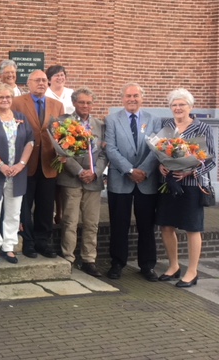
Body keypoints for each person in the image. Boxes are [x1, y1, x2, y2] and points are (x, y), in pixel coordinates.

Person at [156, 89, 216, 287]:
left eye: (182, 104)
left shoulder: (202, 128)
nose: (178, 108)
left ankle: (192, 271)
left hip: (191, 185)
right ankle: (174, 266)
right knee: (166, 226)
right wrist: (161, 165)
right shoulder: (166, 126)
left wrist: (190, 172)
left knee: (192, 228)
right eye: (174, 105)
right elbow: (159, 151)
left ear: (190, 107)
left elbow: (211, 160)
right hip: (169, 184)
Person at [105, 83, 161, 281]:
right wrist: (129, 170)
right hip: (120, 179)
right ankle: (117, 263)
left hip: (147, 181)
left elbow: (158, 148)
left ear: (142, 98)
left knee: (147, 225)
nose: (132, 99)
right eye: (128, 95)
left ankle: (147, 265)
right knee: (119, 223)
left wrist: (143, 171)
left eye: (136, 95)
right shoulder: (111, 120)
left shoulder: (154, 120)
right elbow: (110, 148)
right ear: (122, 98)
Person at [0, 84, 34, 264]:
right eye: (1, 97)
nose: (5, 100)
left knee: (13, 212)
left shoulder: (21, 118)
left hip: (17, 173)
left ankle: (9, 246)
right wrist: (0, 165)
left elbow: (30, 142)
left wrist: (21, 164)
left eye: (8, 97)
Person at [11, 70, 64, 258]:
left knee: (45, 205)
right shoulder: (17, 102)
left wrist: (64, 153)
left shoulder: (57, 105)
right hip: (25, 163)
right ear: (29, 83)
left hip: (49, 163)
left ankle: (43, 242)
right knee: (25, 205)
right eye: (37, 80)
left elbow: (62, 134)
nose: (41, 83)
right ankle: (28, 242)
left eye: (44, 80)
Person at [57, 88, 108, 277]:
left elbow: (104, 153)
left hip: (93, 181)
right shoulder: (64, 122)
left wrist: (95, 172)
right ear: (74, 103)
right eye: (82, 102)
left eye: (89, 102)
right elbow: (61, 151)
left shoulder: (100, 125)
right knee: (70, 221)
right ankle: (68, 258)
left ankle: (89, 259)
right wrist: (79, 171)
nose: (85, 106)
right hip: (71, 179)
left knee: (91, 223)